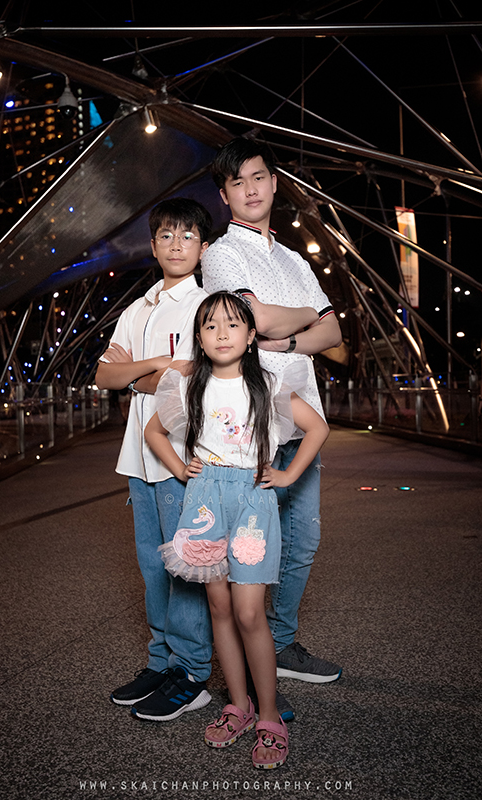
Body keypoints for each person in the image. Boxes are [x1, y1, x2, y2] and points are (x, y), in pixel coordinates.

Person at [144, 292, 329, 768]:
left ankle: (270, 715)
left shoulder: (268, 383)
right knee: (219, 607)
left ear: (251, 337)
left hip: (251, 501)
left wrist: (287, 475)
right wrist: (182, 470)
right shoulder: (188, 387)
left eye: (232, 324)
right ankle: (239, 706)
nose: (221, 333)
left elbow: (317, 428)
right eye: (210, 326)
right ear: (200, 340)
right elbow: (153, 433)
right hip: (204, 502)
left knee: (250, 613)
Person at [201, 138, 343, 694]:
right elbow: (253, 318)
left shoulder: (296, 259)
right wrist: (308, 314)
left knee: (302, 539)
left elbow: (333, 335)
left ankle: (280, 642)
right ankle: (252, 642)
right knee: (251, 544)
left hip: (299, 411)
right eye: (238, 182)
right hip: (249, 420)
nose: (251, 189)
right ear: (225, 195)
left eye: (258, 177)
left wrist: (288, 339)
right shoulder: (221, 254)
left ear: (275, 182)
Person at [95, 198, 213, 721]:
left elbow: (191, 376)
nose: (176, 244)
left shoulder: (208, 305)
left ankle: (192, 672)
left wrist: (141, 374)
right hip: (136, 459)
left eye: (187, 236)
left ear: (203, 247)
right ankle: (161, 659)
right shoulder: (136, 307)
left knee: (185, 567)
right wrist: (159, 364)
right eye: (166, 235)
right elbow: (103, 376)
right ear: (153, 244)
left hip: (180, 457)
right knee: (152, 567)